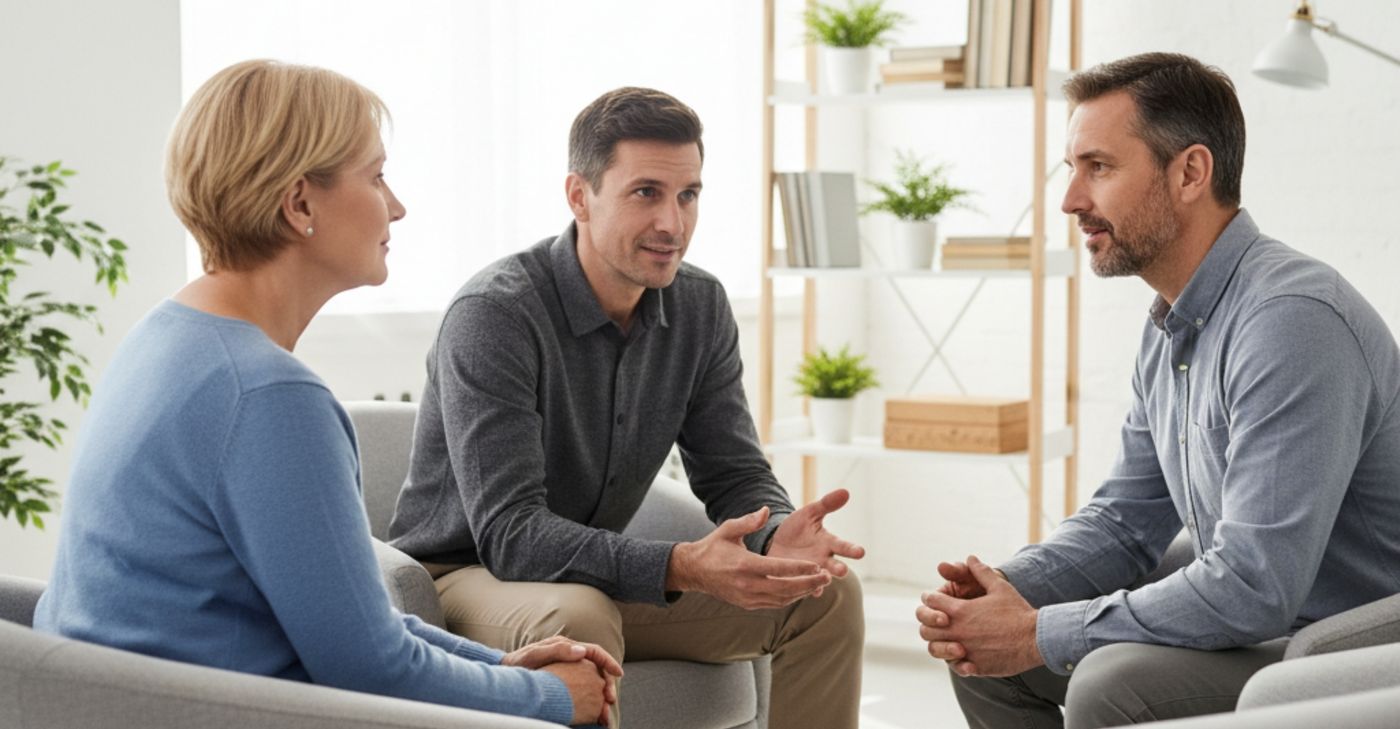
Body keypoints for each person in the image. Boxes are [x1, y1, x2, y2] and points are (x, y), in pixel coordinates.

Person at [33, 59, 619, 727]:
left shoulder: (167, 336)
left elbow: (349, 625)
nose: (396, 205)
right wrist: (551, 697)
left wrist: (498, 665)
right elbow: (370, 668)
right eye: (375, 177)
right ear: (300, 203)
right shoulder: (268, 395)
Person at [917, 51, 1400, 728]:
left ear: (1190, 172)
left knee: (1109, 682)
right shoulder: (1173, 322)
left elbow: (1256, 584)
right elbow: (1126, 518)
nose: (1070, 200)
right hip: (1273, 607)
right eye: (1072, 170)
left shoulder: (1292, 321)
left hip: (1346, 635)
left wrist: (1036, 630)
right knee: (980, 648)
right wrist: (1010, 588)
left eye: (1100, 167)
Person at [388, 86, 866, 729]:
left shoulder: (699, 306)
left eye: (688, 195)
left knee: (824, 593)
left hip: (593, 578)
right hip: (464, 581)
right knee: (580, 616)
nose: (673, 223)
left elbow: (732, 472)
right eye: (647, 193)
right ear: (580, 196)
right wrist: (681, 565)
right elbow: (510, 535)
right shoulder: (496, 315)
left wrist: (776, 532)